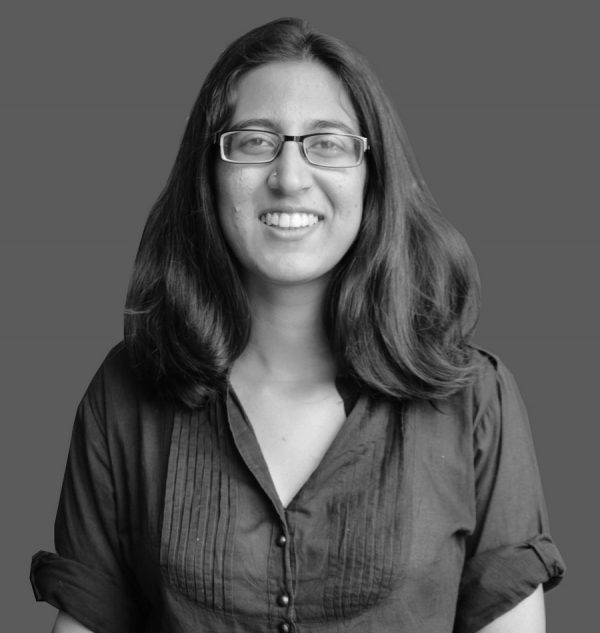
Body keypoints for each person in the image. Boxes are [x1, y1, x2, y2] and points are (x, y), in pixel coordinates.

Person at [30, 17, 565, 633]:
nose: (288, 178)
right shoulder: (125, 391)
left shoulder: (474, 399)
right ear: (209, 173)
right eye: (255, 142)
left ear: (373, 175)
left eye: (327, 144)